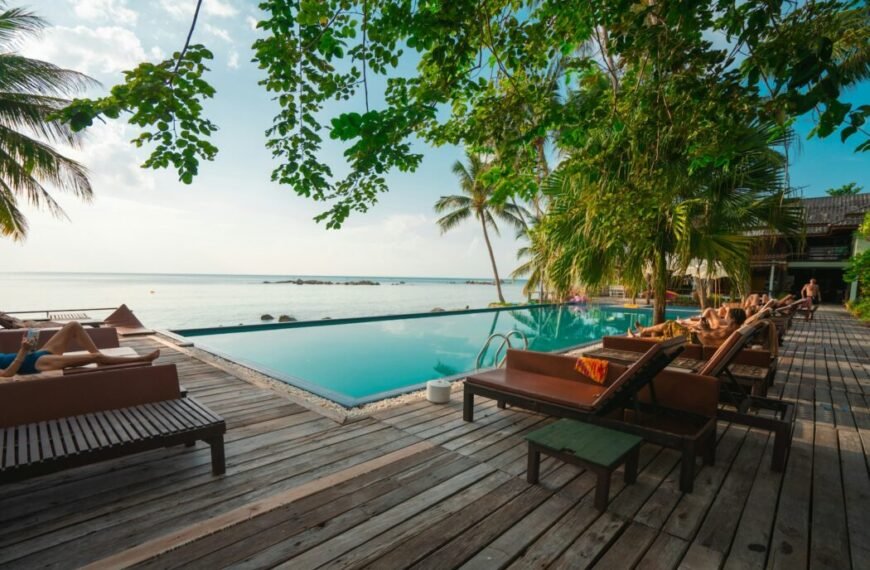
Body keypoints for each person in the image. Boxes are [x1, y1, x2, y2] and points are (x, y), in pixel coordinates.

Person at [0, 321, 159, 378]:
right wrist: (22, 351)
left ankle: (100, 357)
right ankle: (142, 359)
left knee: (73, 325)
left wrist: (27, 348)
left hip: (37, 354)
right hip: (38, 363)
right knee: (95, 357)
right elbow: (8, 374)